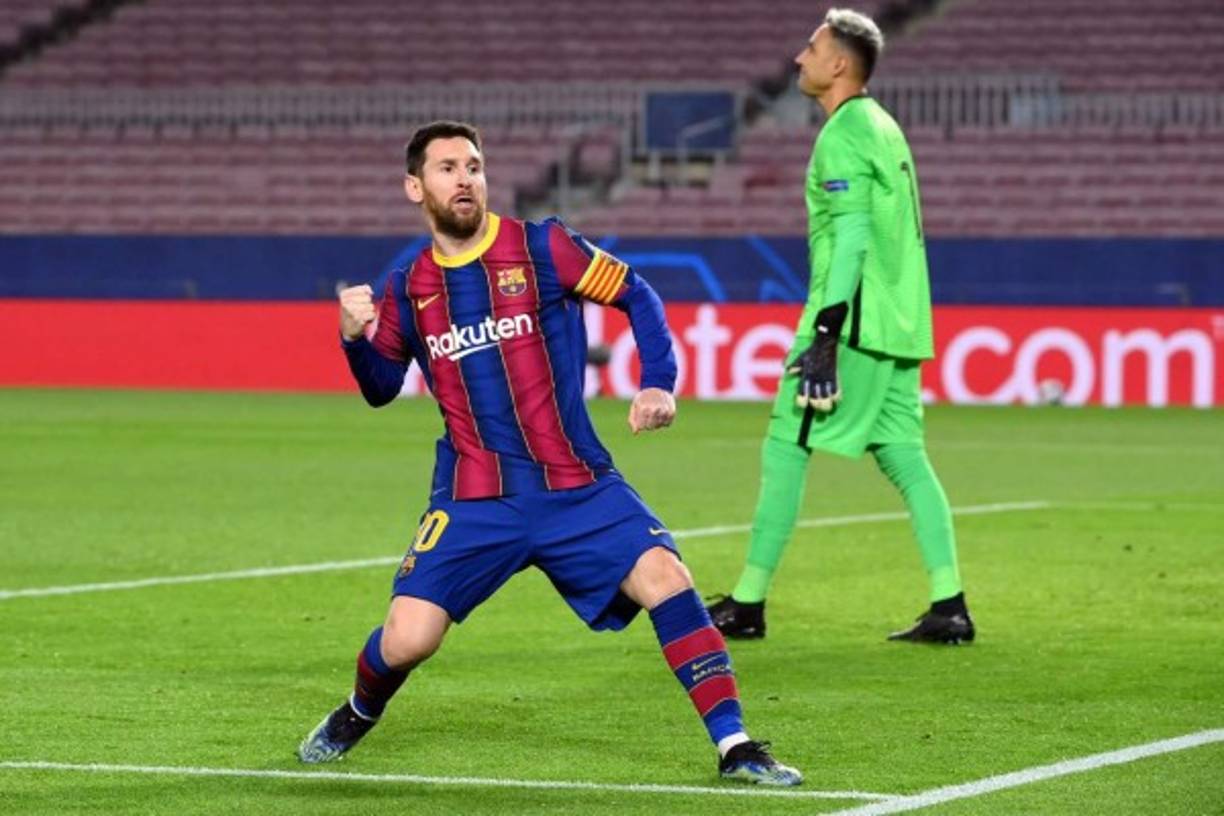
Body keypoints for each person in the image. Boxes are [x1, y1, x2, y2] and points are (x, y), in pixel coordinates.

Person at [296, 120, 802, 786]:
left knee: (669, 580)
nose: (464, 178)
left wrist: (658, 380)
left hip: (577, 484)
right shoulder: (406, 288)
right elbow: (381, 390)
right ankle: (358, 711)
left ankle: (736, 746)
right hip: (477, 496)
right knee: (408, 640)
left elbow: (636, 294)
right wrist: (353, 340)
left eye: (473, 165)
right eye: (447, 168)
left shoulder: (545, 247)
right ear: (415, 187)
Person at [707, 9, 974, 645]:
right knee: (908, 459)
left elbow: (852, 234)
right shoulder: (884, 126)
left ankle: (748, 602)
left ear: (838, 65)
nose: (800, 58)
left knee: (785, 443)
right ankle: (950, 604)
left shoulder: (843, 134)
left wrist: (826, 333)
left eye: (812, 47)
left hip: (851, 323)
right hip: (900, 322)